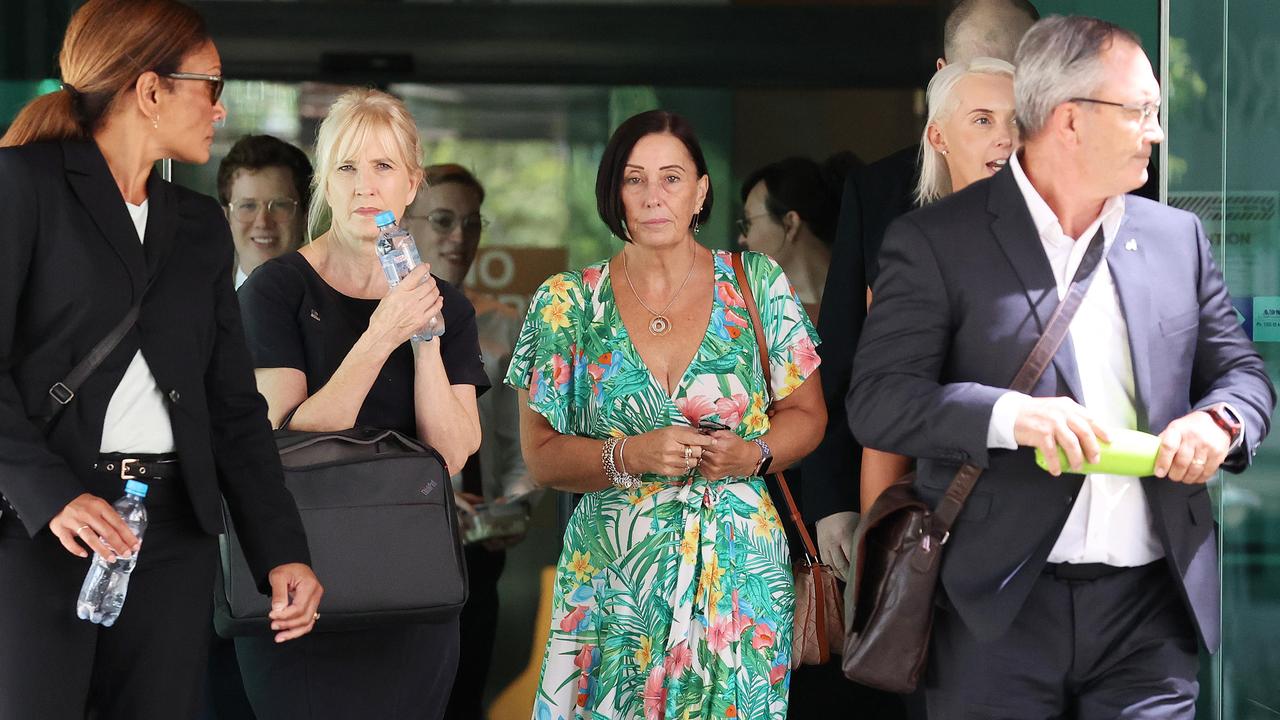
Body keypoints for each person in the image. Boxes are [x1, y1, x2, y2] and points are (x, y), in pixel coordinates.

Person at [849, 16, 1275, 718]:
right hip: (996, 610)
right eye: (1141, 111)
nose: (1156, 131)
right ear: (1070, 120)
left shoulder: (1177, 240)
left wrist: (1222, 422)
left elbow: (1244, 374)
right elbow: (880, 401)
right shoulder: (934, 242)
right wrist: (1011, 417)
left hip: (1152, 611)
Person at [0, 1, 322, 718]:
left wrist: (282, 550)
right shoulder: (22, 186)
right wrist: (52, 494)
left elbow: (232, 406)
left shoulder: (200, 226)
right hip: (43, 529)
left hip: (172, 534)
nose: (219, 105)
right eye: (210, 83)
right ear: (150, 91)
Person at [506, 109, 826, 719]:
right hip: (612, 577)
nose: (654, 197)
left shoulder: (756, 283)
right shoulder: (567, 302)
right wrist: (630, 454)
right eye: (635, 179)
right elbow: (540, 456)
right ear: (615, 191)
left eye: (672, 178)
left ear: (701, 190)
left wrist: (753, 454)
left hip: (740, 575)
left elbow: (808, 413)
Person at [235, 88, 487, 720]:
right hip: (300, 576)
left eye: (382, 167)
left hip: (410, 578)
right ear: (325, 180)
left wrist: (422, 333)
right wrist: (380, 337)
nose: (363, 186)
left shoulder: (445, 304)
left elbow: (452, 452)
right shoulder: (277, 289)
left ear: (412, 184)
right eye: (346, 167)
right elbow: (284, 438)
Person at [804, 0, 1039, 585]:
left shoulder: (1081, 201)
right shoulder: (881, 192)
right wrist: (835, 497)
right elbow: (845, 351)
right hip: (909, 493)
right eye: (981, 109)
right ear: (943, 83)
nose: (1002, 127)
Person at [402, 164, 540, 719]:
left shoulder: (506, 323)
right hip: (400, 536)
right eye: (442, 220)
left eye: (471, 222)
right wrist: (426, 493)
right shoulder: (377, 318)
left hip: (477, 543)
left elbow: (519, 437)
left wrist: (515, 502)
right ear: (407, 226)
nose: (459, 236)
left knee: (464, 693)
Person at [855, 57, 1017, 516]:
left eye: (1018, 120)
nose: (1005, 136)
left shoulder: (1075, 245)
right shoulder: (916, 259)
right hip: (960, 521)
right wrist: (877, 557)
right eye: (982, 120)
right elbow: (886, 434)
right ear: (938, 137)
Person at [737, 154, 853, 322]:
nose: (742, 239)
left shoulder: (872, 299)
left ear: (790, 223)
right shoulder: (747, 317)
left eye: (748, 223)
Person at [216, 134, 313, 288]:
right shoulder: (199, 308)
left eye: (279, 205)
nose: (262, 222)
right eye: (248, 206)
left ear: (305, 217)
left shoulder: (335, 308)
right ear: (226, 219)